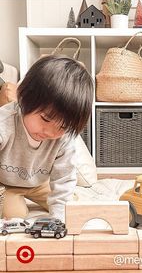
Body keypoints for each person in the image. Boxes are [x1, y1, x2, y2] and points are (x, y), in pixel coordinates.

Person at [0, 55, 94, 222]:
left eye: (62, 127)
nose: (50, 132)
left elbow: (64, 178)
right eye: (45, 119)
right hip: (7, 184)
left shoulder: (63, 138)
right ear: (23, 97)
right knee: (15, 214)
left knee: (72, 208)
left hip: (40, 183)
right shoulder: (4, 124)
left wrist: (58, 220)